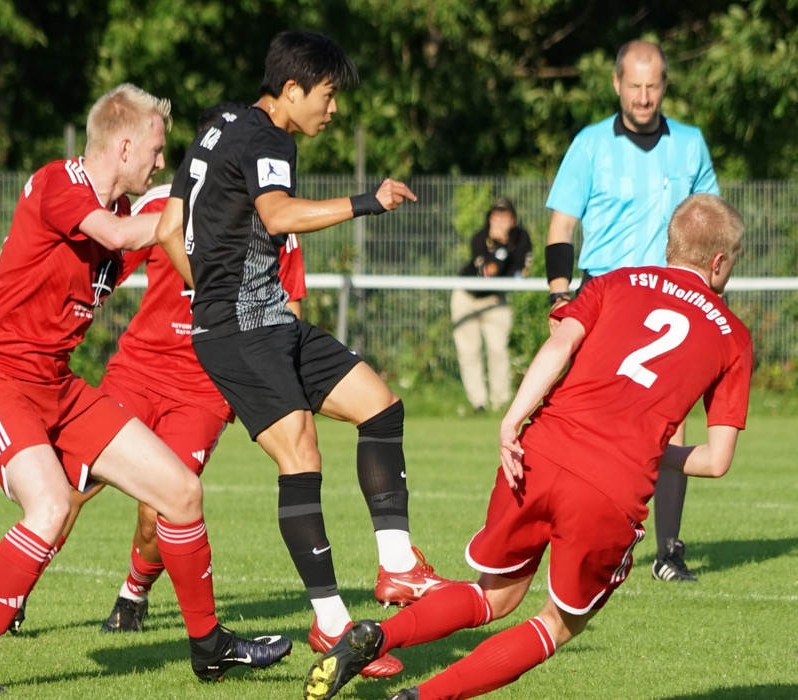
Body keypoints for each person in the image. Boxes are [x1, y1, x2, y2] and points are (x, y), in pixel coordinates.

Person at [303, 193, 751, 700]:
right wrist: (648, 451)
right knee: (556, 625)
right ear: (719, 261)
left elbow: (560, 343)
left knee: (492, 596)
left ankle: (378, 635)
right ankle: (423, 698)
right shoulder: (733, 337)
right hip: (609, 489)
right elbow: (716, 460)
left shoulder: (616, 281)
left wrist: (513, 420)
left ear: (672, 244)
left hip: (540, 450)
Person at [0, 85, 291, 694]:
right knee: (51, 505)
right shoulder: (60, 182)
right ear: (124, 146)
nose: (161, 161)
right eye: (156, 149)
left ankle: (210, 648)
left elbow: (164, 247)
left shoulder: (122, 213)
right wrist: (193, 202)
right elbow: (127, 236)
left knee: (181, 492)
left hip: (56, 385)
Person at [156, 29, 453, 679]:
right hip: (241, 329)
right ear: (291, 90)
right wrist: (367, 201)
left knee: (380, 406)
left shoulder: (217, 127)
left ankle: (398, 565)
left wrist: (207, 287)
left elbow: (166, 228)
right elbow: (280, 215)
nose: (333, 108)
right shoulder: (269, 138)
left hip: (265, 317)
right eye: (327, 94)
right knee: (302, 454)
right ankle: (330, 621)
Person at [7, 102, 308, 636]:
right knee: (71, 485)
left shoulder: (276, 218)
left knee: (163, 506)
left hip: (205, 387)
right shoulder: (163, 204)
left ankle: (133, 595)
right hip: (138, 371)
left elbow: (291, 308)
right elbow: (101, 267)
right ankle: (16, 592)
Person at [543, 39, 720, 583]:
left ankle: (667, 551)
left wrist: (712, 299)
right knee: (583, 418)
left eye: (653, 86)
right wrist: (558, 295)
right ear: (617, 83)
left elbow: (710, 222)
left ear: (664, 86)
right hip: (605, 298)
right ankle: (579, 534)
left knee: (670, 422)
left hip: (670, 303)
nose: (644, 97)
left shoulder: (690, 144)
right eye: (634, 86)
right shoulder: (590, 144)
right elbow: (561, 226)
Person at [450, 198, 532, 413]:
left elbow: (520, 271)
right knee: (469, 351)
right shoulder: (481, 237)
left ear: (513, 220)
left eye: (504, 216)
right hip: (466, 296)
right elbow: (487, 271)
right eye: (496, 216)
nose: (499, 221)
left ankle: (500, 403)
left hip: (495, 299)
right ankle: (479, 403)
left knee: (498, 350)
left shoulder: (521, 238)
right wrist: (499, 247)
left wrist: (503, 247)